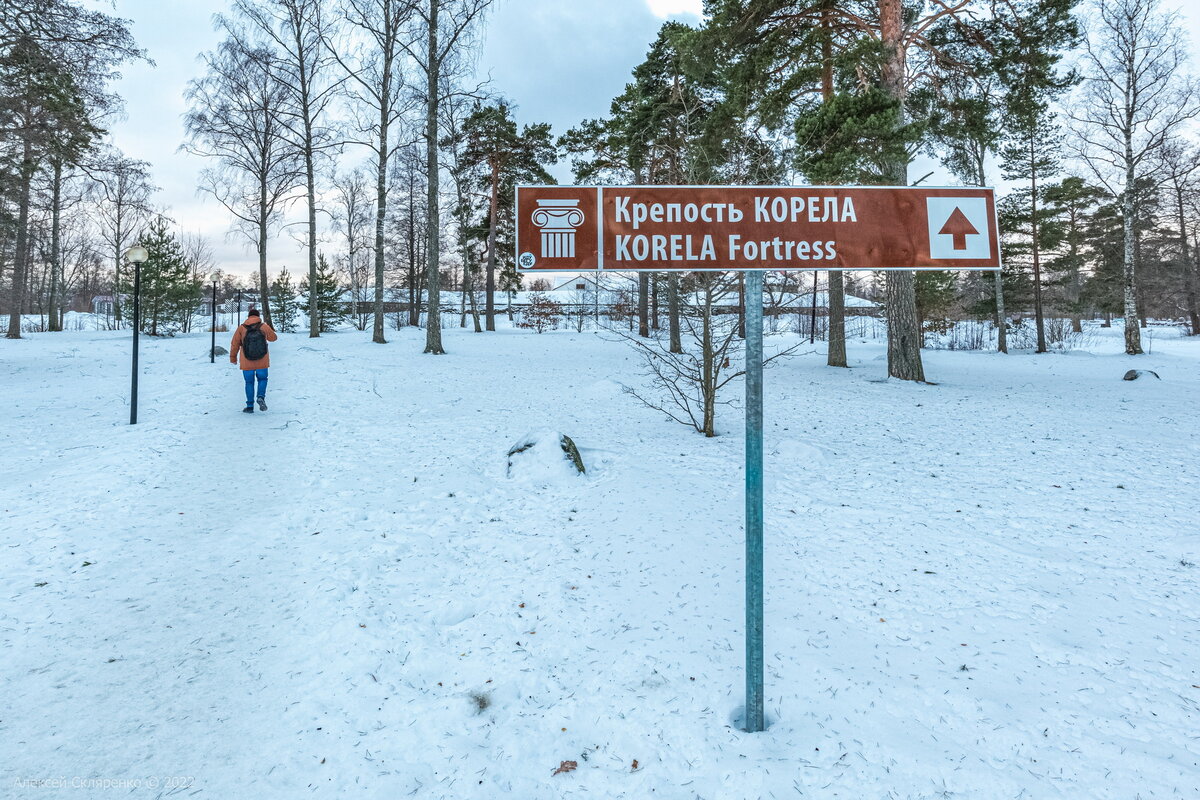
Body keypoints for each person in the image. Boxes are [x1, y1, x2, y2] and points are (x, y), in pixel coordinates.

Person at [229, 308, 278, 413]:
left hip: (246, 361)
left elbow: (235, 344)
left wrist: (233, 358)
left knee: (249, 382)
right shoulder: (263, 326)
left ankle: (250, 406)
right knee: (263, 379)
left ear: (248, 317)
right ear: (258, 316)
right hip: (262, 361)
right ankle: (260, 397)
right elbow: (273, 338)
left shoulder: (241, 328)